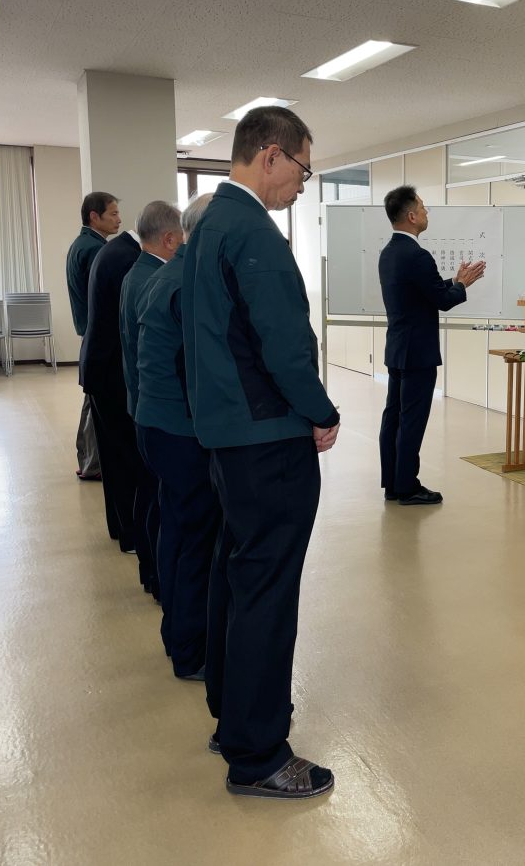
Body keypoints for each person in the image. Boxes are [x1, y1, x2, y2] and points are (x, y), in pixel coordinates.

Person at [183, 106, 339, 799]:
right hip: (267, 438)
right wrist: (321, 411)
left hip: (225, 434)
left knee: (238, 575)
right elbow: (283, 345)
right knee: (268, 593)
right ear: (272, 156)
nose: (303, 185)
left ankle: (233, 718)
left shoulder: (210, 224)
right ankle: (258, 753)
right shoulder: (254, 232)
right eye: (303, 169)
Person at [135, 193, 216, 678]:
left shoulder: (165, 274)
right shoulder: (188, 282)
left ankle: (177, 636)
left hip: (155, 421)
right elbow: (198, 370)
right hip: (180, 430)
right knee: (194, 541)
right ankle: (191, 650)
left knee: (177, 530)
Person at [377, 186, 485, 505]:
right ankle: (408, 486)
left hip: (398, 348)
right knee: (411, 420)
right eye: (423, 208)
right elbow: (441, 300)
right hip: (418, 352)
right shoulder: (417, 255)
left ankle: (394, 482)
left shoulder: (390, 253)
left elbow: (425, 292)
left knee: (393, 417)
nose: (426, 213)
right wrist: (462, 285)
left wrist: (454, 281)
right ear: (411, 216)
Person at [80, 221, 156, 593]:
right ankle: (130, 534)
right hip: (111, 371)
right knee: (126, 457)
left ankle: (119, 527)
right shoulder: (128, 260)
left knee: (113, 456)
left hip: (98, 365)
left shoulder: (113, 251)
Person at [118, 201, 182, 612]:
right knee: (160, 501)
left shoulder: (136, 274)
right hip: (155, 411)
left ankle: (150, 569)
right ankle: (158, 575)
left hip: (140, 405)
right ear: (171, 238)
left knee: (150, 495)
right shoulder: (156, 280)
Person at [65, 192, 120, 483]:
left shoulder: (83, 244)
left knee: (92, 398)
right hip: (98, 334)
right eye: (112, 214)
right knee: (96, 400)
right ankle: (92, 463)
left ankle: (89, 460)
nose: (119, 219)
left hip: (89, 331)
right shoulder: (94, 249)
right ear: (94, 217)